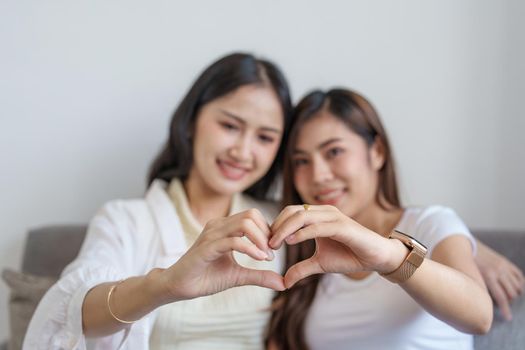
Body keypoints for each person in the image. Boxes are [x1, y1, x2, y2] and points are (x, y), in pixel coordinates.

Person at [23, 52, 293, 349]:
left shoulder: (278, 223)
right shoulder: (125, 220)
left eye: (265, 138)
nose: (243, 152)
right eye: (230, 126)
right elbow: (76, 314)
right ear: (191, 120)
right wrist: (164, 286)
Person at [266, 88, 495, 350]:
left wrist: (389, 257)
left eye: (334, 152)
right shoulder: (303, 249)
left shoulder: (430, 224)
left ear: (377, 151)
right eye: (301, 161)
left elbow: (480, 317)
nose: (318, 175)